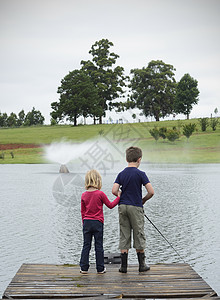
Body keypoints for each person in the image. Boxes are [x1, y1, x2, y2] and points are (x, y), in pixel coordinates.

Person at [112, 146, 154, 273]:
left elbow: (114, 190)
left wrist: (120, 194)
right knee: (138, 233)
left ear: (126, 159)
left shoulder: (121, 174)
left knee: (124, 234)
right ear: (139, 159)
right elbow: (151, 192)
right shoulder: (141, 174)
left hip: (122, 206)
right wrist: (143, 200)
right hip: (136, 207)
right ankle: (142, 265)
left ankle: (123, 267)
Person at [80, 169, 120, 274]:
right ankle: (100, 268)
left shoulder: (84, 195)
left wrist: (84, 223)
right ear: (98, 181)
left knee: (86, 245)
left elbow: (82, 212)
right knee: (99, 245)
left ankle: (84, 268)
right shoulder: (100, 194)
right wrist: (119, 197)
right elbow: (110, 205)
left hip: (87, 222)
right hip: (97, 222)